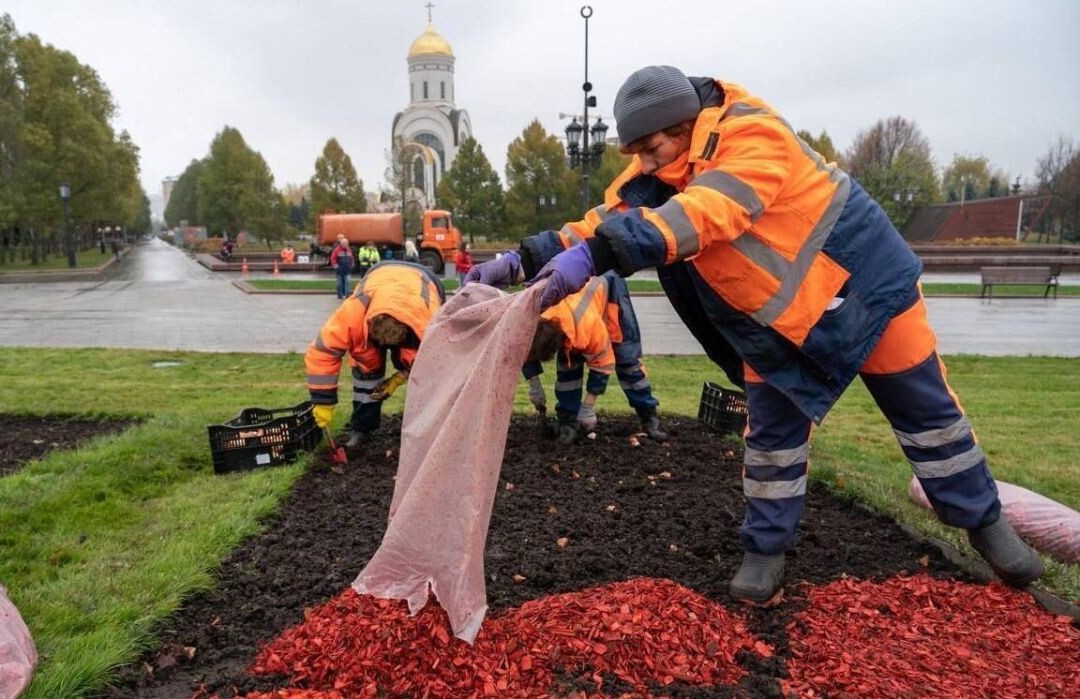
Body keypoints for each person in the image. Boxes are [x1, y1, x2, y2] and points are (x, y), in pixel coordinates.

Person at [466, 65, 1042, 603]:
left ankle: (986, 526)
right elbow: (601, 222)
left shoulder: (753, 134)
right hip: (781, 327)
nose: (641, 163)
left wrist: (597, 255)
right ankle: (765, 551)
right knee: (771, 440)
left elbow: (709, 212)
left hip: (868, 292)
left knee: (928, 417)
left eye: (650, 148)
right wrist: (518, 260)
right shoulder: (657, 172)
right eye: (635, 153)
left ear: (685, 127)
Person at [306, 261, 446, 447]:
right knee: (366, 374)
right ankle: (362, 428)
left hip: (425, 282)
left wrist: (398, 379)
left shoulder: (428, 325)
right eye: (378, 342)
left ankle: (425, 432)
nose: (381, 346)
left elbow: (434, 363)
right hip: (378, 277)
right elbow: (322, 352)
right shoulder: (353, 315)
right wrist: (322, 400)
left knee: (426, 380)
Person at [523, 271, 666, 444]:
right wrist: (534, 384)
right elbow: (525, 350)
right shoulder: (533, 318)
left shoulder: (589, 327)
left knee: (627, 359)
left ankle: (649, 417)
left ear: (559, 341)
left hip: (611, 292)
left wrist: (588, 407)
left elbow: (603, 365)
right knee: (568, 365)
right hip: (575, 306)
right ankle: (567, 423)